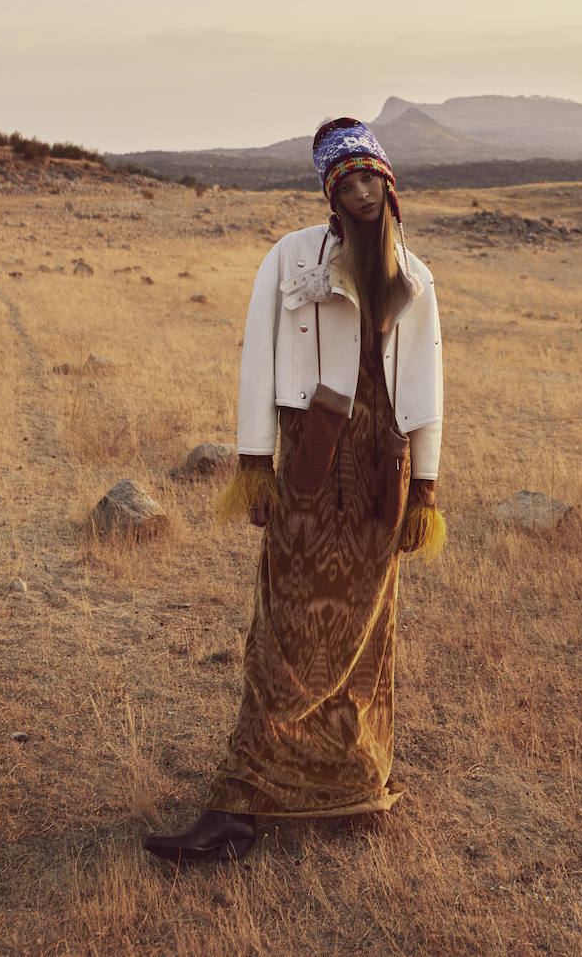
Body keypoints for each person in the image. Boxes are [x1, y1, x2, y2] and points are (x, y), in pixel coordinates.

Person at [143, 117, 445, 863]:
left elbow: (429, 391)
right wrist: (254, 465)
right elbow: (258, 363)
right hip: (307, 475)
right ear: (330, 194)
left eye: (374, 178)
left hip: (382, 484)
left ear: (392, 189)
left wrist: (425, 493)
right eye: (348, 181)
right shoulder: (286, 260)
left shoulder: (417, 278)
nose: (364, 191)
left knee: (365, 639)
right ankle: (238, 802)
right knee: (280, 636)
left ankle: (353, 783)